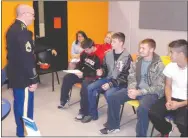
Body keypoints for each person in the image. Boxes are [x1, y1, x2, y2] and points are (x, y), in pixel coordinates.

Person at [99, 39, 165, 136]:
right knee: (113, 97)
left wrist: (139, 92)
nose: (140, 50)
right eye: (140, 48)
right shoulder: (138, 61)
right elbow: (131, 76)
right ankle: (113, 126)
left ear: (151, 49)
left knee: (142, 108)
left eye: (143, 48)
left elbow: (159, 87)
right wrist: (132, 88)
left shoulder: (159, 65)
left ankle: (141, 135)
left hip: (150, 93)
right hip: (136, 89)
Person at [81, 32, 132, 123]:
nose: (111, 43)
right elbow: (104, 68)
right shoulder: (108, 54)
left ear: (121, 43)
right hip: (108, 78)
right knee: (90, 88)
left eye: (114, 41)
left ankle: (112, 120)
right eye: (111, 41)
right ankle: (93, 114)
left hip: (120, 83)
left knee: (109, 94)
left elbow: (125, 77)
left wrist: (110, 84)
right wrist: (102, 72)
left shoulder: (127, 57)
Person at [6, 4, 38, 137]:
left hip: (15, 75)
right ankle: (27, 133)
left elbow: (13, 55)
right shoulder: (22, 32)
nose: (33, 18)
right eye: (32, 15)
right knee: (25, 108)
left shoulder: (12, 29)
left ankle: (21, 131)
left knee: (19, 103)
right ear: (24, 14)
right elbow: (27, 58)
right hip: (23, 78)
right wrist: (33, 78)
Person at [149, 39, 187, 137]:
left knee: (182, 123)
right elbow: (168, 85)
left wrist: (179, 104)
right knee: (153, 113)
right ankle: (166, 130)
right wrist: (169, 100)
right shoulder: (171, 66)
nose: (168, 54)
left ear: (181, 54)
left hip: (185, 101)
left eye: (171, 52)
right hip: (172, 97)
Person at [58, 38, 101, 118]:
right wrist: (77, 70)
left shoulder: (99, 56)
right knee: (67, 77)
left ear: (92, 47)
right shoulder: (84, 53)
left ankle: (83, 112)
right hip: (83, 74)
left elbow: (97, 72)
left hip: (93, 77)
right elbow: (80, 64)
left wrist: (83, 74)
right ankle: (64, 100)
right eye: (84, 50)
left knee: (85, 85)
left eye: (87, 50)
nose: (85, 51)